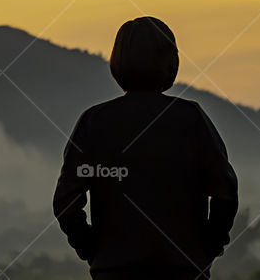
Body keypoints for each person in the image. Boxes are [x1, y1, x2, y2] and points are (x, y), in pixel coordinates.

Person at [53, 17, 238, 280]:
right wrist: (207, 249)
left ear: (117, 62)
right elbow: (225, 193)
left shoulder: (95, 122)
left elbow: (66, 202)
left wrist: (96, 253)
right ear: (170, 62)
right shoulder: (190, 119)